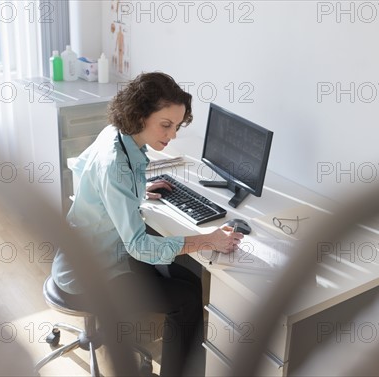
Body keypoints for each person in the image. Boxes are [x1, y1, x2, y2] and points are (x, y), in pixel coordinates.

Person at [51, 72, 244, 376]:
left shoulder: (116, 133)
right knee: (187, 300)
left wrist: (136, 193)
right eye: (165, 125)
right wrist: (206, 240)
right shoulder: (116, 164)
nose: (172, 136)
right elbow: (139, 246)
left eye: (177, 127)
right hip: (92, 273)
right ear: (140, 115)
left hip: (90, 254)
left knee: (189, 282)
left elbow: (80, 167)